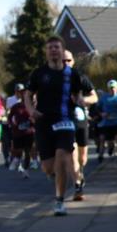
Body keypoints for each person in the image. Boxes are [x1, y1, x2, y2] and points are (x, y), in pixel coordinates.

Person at [25, 36, 96, 216]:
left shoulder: (73, 74)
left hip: (65, 120)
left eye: (56, 47)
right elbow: (28, 94)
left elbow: (92, 96)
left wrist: (82, 100)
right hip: (43, 122)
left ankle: (59, 201)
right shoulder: (39, 73)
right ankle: (57, 180)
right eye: (50, 48)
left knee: (62, 158)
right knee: (48, 167)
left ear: (62, 49)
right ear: (46, 52)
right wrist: (31, 110)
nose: (53, 50)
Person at [63, 50, 91, 200]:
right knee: (71, 154)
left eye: (68, 61)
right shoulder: (57, 80)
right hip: (66, 122)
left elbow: (95, 96)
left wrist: (84, 100)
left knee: (82, 157)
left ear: (73, 62)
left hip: (81, 121)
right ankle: (77, 185)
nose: (66, 63)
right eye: (63, 61)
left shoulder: (81, 78)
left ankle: (80, 172)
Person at [98, 79, 117, 168]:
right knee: (109, 141)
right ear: (108, 89)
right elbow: (98, 109)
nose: (112, 89)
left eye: (114, 88)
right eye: (111, 88)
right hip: (107, 124)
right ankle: (110, 147)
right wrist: (102, 114)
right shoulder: (103, 98)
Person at [7, 93, 36, 178]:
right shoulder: (16, 106)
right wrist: (12, 124)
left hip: (29, 132)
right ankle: (16, 159)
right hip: (18, 132)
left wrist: (33, 122)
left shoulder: (35, 107)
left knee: (27, 151)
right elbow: (10, 117)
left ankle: (26, 170)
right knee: (18, 150)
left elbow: (39, 119)